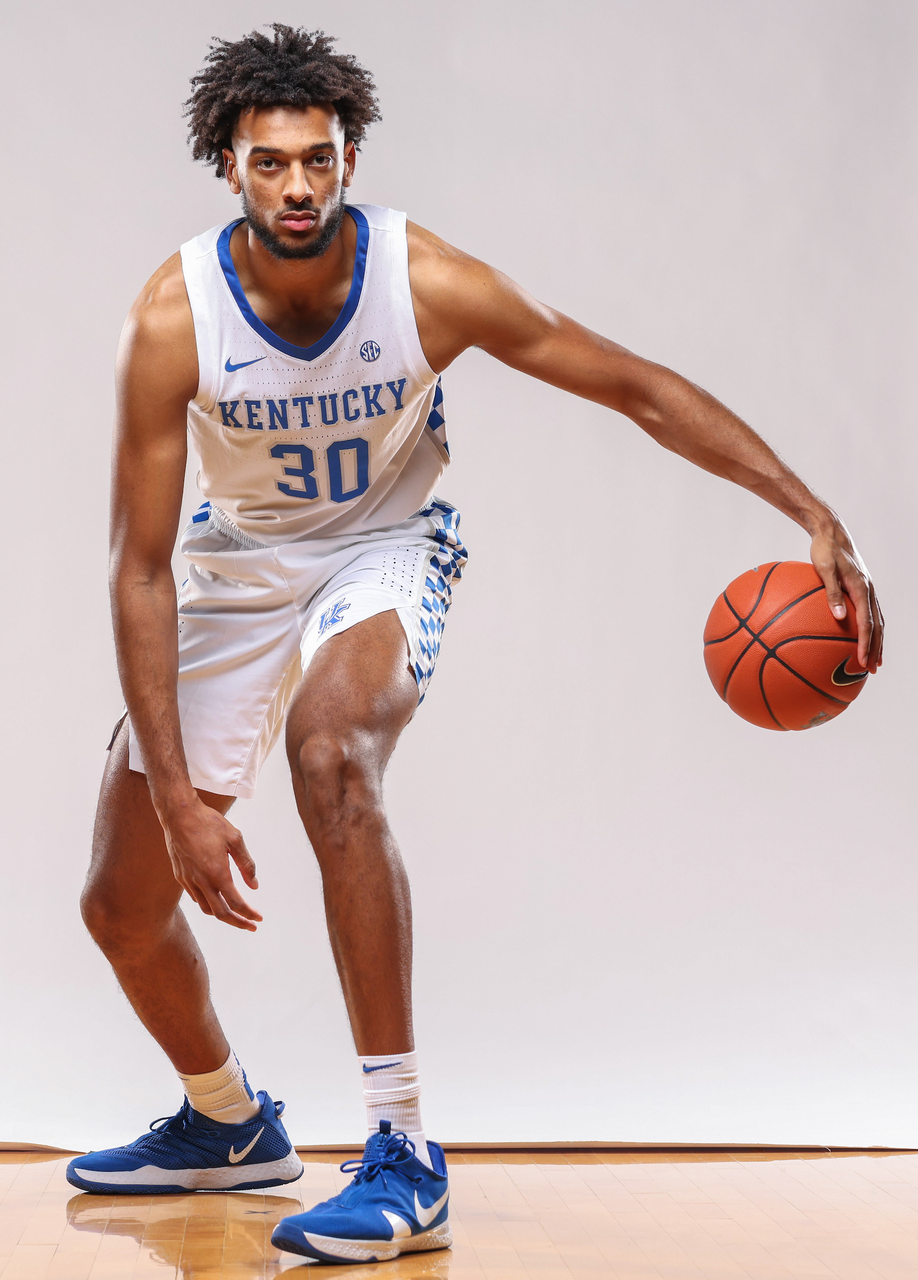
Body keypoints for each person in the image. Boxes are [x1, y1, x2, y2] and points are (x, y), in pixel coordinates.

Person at [66, 23, 884, 1266]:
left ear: (351, 157)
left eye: (319, 161)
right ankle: (229, 1121)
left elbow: (632, 385)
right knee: (121, 902)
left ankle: (401, 1152)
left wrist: (806, 506)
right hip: (237, 563)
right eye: (269, 163)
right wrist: (177, 795)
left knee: (330, 750)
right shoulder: (173, 317)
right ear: (226, 165)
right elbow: (135, 565)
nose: (297, 187)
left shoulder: (423, 280)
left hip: (387, 543)